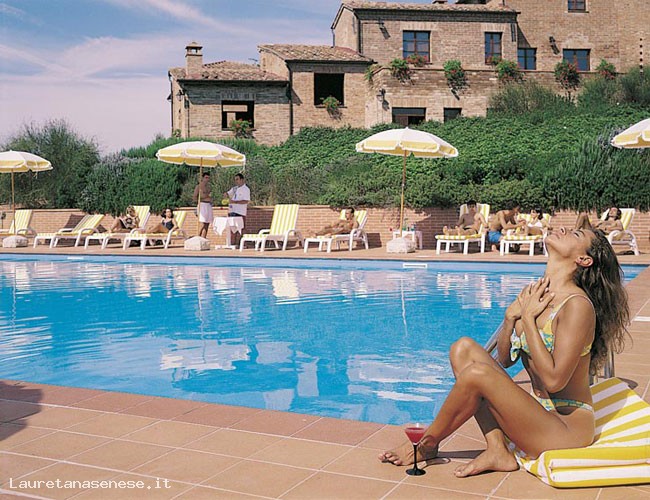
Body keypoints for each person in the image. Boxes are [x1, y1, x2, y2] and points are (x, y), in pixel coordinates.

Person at [379, 226, 629, 479]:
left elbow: (555, 381)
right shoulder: (537, 294)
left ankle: (426, 445)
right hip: (536, 412)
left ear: (584, 260)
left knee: (477, 374)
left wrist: (528, 319)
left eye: (576, 234)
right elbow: (507, 360)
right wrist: (510, 320)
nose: (563, 228)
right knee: (463, 349)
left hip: (566, 428)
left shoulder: (577, 305)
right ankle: (497, 449)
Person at [223, 173, 250, 245]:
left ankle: (243, 244)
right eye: (235, 180)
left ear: (242, 180)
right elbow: (228, 194)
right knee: (232, 228)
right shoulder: (234, 188)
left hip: (240, 212)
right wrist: (226, 195)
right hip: (232, 211)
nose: (236, 181)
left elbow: (246, 201)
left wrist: (235, 202)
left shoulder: (246, 189)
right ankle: (233, 244)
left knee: (241, 228)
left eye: (237, 179)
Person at [193, 172, 213, 238]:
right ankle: (197, 237)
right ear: (202, 178)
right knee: (202, 223)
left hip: (208, 205)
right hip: (202, 205)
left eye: (208, 178)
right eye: (206, 178)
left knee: (207, 223)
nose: (207, 179)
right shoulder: (198, 187)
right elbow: (194, 197)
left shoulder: (209, 187)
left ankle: (203, 238)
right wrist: (203, 198)